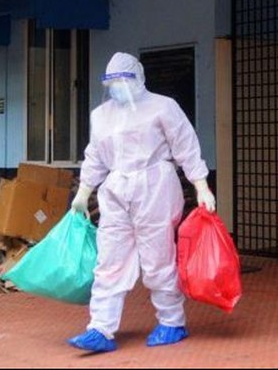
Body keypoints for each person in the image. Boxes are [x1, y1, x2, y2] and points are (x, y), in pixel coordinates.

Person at [67, 51, 215, 353]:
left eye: (124, 80)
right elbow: (95, 154)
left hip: (155, 186)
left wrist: (200, 184)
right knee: (109, 260)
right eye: (113, 82)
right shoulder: (101, 115)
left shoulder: (162, 107)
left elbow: (185, 144)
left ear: (138, 78)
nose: (119, 87)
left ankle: (172, 321)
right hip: (116, 189)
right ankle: (100, 328)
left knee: (157, 258)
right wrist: (84, 191)